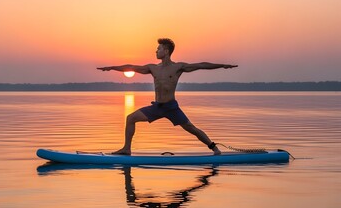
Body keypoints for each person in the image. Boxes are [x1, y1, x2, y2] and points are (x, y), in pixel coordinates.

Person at [97, 38, 238, 155]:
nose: (156, 51)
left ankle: (214, 148)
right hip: (157, 107)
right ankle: (126, 149)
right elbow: (131, 67)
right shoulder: (153, 68)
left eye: (158, 49)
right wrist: (112, 67)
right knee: (130, 118)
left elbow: (201, 65)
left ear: (166, 51)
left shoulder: (178, 67)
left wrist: (222, 65)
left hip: (171, 107)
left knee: (191, 128)